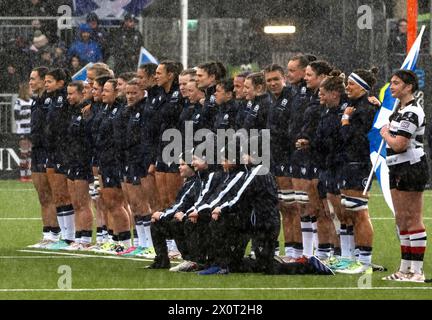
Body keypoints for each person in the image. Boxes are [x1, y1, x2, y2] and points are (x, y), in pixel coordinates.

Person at [380, 70, 429, 283]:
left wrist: (386, 135)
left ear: (409, 87)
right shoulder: (398, 110)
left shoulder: (412, 112)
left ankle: (417, 272)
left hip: (411, 166)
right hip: (396, 167)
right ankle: (404, 269)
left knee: (412, 217)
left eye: (396, 83)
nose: (391, 86)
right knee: (401, 219)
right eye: (391, 82)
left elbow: (400, 144)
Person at [336, 67, 378, 274]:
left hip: (359, 164)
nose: (347, 87)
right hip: (347, 162)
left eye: (351, 84)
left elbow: (353, 138)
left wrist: (344, 121)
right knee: (347, 210)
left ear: (363, 88)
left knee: (359, 211)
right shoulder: (355, 105)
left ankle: (365, 263)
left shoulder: (366, 108)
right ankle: (349, 258)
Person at [296, 60, 336, 260]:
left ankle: (344, 254)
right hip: (313, 158)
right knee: (318, 209)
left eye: (309, 74)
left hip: (329, 162)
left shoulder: (335, 104)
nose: (305, 78)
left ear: (322, 78)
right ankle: (322, 252)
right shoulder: (312, 98)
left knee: (336, 211)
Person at [43, 68, 76, 250]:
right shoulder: (52, 99)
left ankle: (69, 237)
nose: (46, 84)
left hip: (63, 151)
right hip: (53, 150)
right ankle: (64, 236)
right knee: (58, 195)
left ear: (61, 82)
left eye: (49, 81)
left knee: (64, 194)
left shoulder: (65, 98)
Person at [27, 66, 59, 248]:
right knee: (43, 195)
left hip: (48, 150)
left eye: (34, 79)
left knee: (53, 194)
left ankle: (56, 234)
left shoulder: (50, 100)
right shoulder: (35, 101)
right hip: (37, 150)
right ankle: (47, 233)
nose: (31, 82)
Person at [64, 81, 94, 250]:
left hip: (83, 160)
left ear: (82, 93)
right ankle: (78, 237)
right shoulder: (73, 110)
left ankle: (85, 239)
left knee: (83, 203)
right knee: (75, 202)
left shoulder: (87, 112)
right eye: (67, 94)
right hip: (72, 160)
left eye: (72, 94)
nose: (69, 97)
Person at [14, 82, 33, 182]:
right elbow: (16, 116)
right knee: (24, 153)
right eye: (30, 89)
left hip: (31, 129)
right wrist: (27, 115)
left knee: (30, 153)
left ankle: (29, 175)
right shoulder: (19, 101)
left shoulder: (31, 101)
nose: (31, 90)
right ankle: (22, 175)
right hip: (22, 130)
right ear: (25, 90)